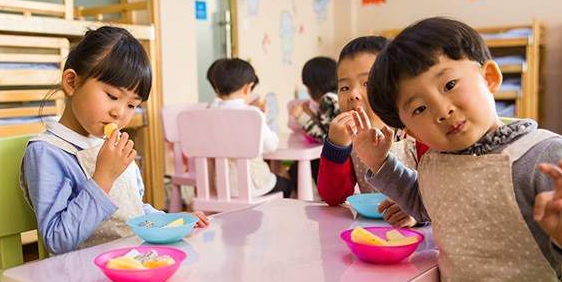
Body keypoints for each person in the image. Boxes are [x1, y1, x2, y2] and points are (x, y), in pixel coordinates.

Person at [349, 17, 562, 282]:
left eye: (449, 84)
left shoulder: (542, 155)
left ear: (490, 77)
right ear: (411, 130)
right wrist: (380, 161)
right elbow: (421, 202)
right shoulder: (435, 161)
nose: (441, 109)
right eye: (419, 108)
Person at [21, 26, 209, 255]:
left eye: (131, 105)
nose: (120, 113)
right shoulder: (48, 152)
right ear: (71, 82)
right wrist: (103, 178)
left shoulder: (108, 143)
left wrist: (168, 220)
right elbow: (57, 240)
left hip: (130, 260)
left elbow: (132, 212)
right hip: (84, 276)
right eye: (112, 96)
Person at [318, 36, 426, 228]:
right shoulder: (351, 138)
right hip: (371, 229)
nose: (353, 94)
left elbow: (444, 193)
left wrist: (418, 214)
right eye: (344, 87)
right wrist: (336, 147)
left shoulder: (418, 132)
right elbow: (334, 197)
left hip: (425, 236)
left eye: (366, 83)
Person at [207, 58, 293, 198]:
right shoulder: (253, 114)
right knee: (286, 185)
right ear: (248, 88)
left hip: (221, 187)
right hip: (253, 186)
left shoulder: (209, 113)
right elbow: (271, 146)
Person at [288, 56, 339, 186]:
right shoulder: (335, 97)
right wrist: (310, 114)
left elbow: (324, 136)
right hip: (342, 154)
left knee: (297, 170)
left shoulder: (328, 100)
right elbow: (327, 123)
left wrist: (300, 117)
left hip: (337, 158)